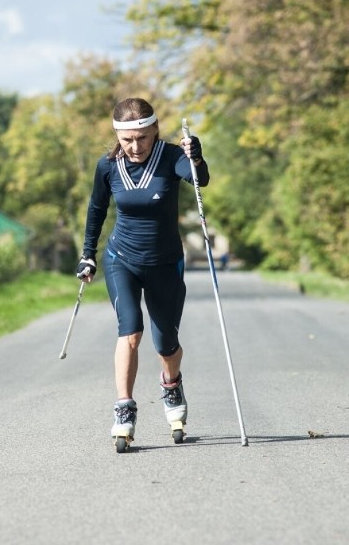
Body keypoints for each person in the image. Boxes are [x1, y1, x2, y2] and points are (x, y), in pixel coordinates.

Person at [76, 97, 208, 449]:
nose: (135, 147)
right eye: (126, 140)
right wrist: (87, 254)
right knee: (130, 331)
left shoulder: (171, 158)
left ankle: (172, 382)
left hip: (165, 262)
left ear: (154, 130)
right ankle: (124, 408)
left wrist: (195, 155)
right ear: (117, 136)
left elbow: (200, 180)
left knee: (166, 344)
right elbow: (96, 210)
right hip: (122, 259)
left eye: (142, 138)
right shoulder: (107, 168)